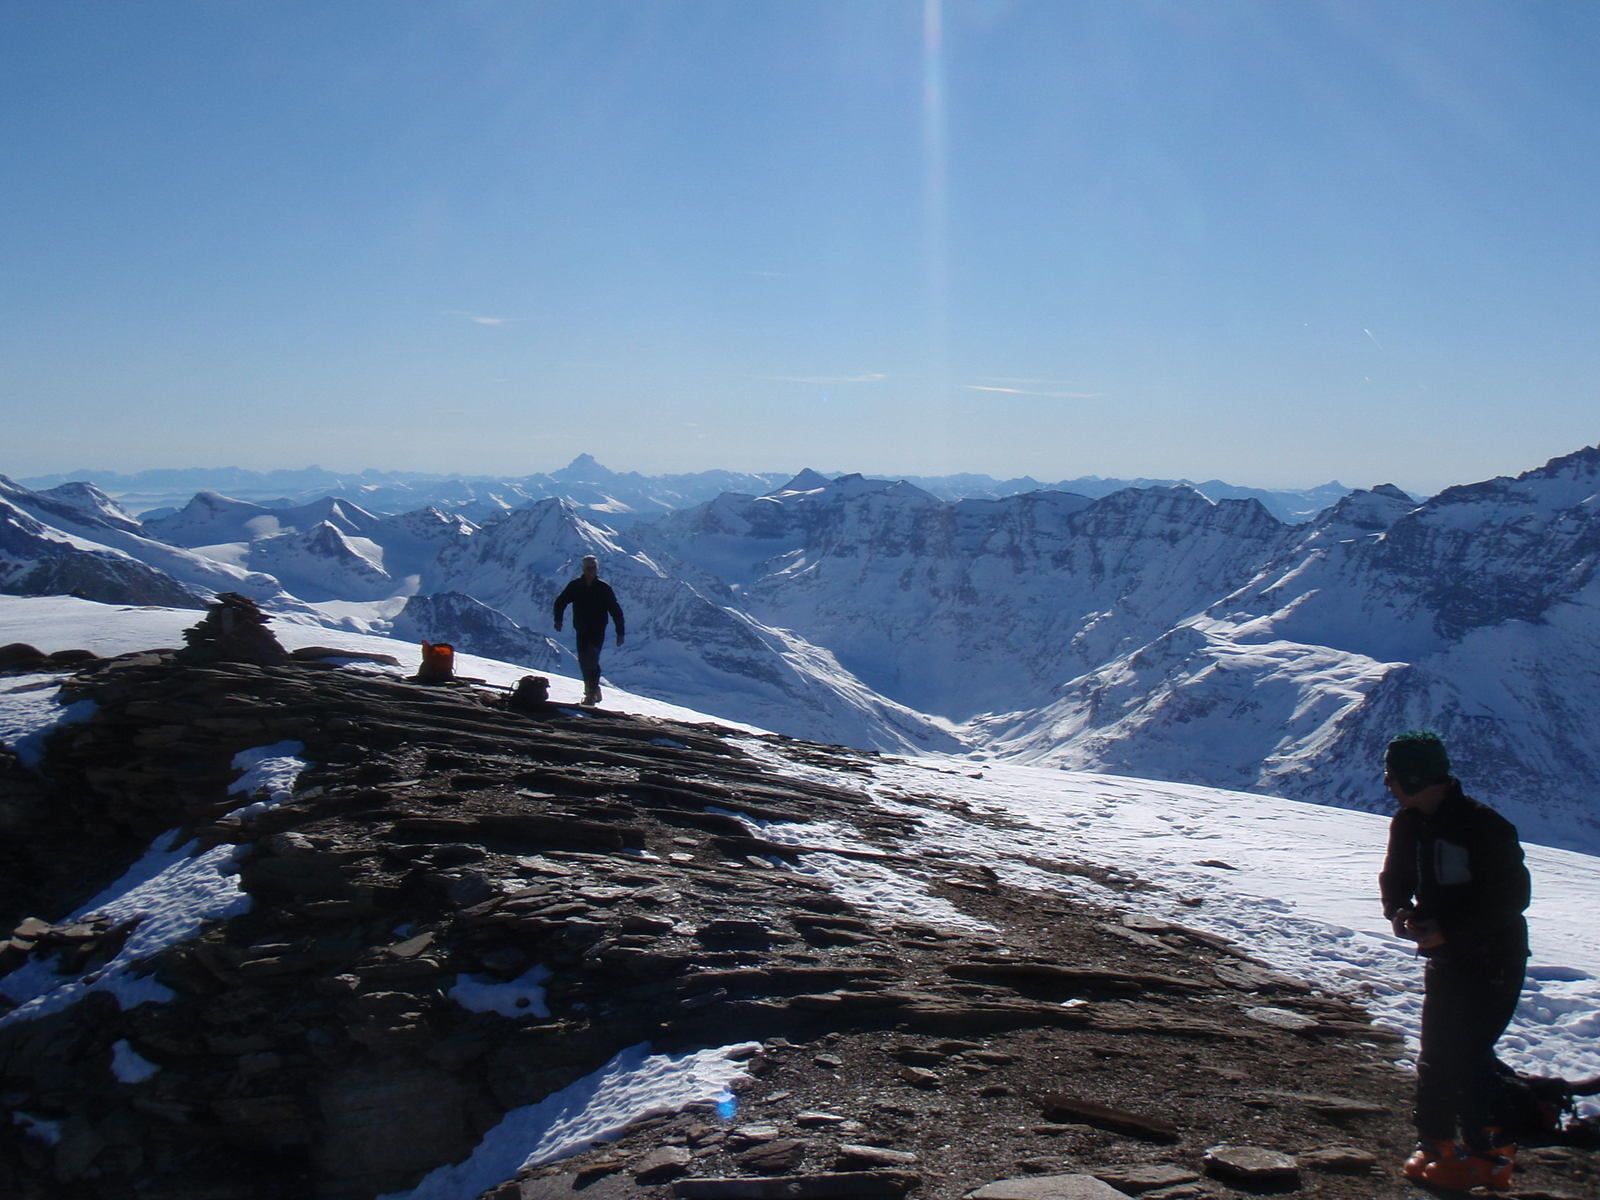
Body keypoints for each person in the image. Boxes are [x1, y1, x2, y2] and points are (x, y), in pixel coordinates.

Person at [1379, 730, 1531, 1191]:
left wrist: (1451, 931)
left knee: (1466, 1055)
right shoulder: (1409, 823)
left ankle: (1492, 1153)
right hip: (1446, 957)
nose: (1388, 785)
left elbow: (1511, 899)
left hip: (1492, 961)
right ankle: (1436, 1145)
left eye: (1392, 776)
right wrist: (1399, 911)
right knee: (1438, 1052)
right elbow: (1396, 877)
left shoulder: (1484, 827)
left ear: (1413, 776)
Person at [552, 554, 625, 706]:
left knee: (591, 659)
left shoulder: (604, 588)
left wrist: (620, 632)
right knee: (584, 661)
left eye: (593, 568)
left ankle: (590, 694)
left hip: (598, 629)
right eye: (589, 568)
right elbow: (561, 601)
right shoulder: (576, 586)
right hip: (581, 628)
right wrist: (558, 619)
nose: (591, 571)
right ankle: (593, 688)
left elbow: (615, 610)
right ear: (584, 569)